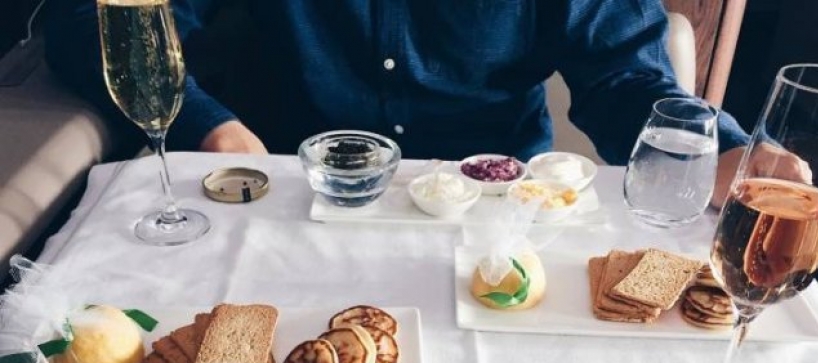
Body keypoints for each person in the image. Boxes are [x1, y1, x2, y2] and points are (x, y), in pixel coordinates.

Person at [44, 0, 750, 207]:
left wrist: (717, 148)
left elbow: (624, 78)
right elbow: (86, 20)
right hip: (295, 199)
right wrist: (215, 127)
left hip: (494, 209)